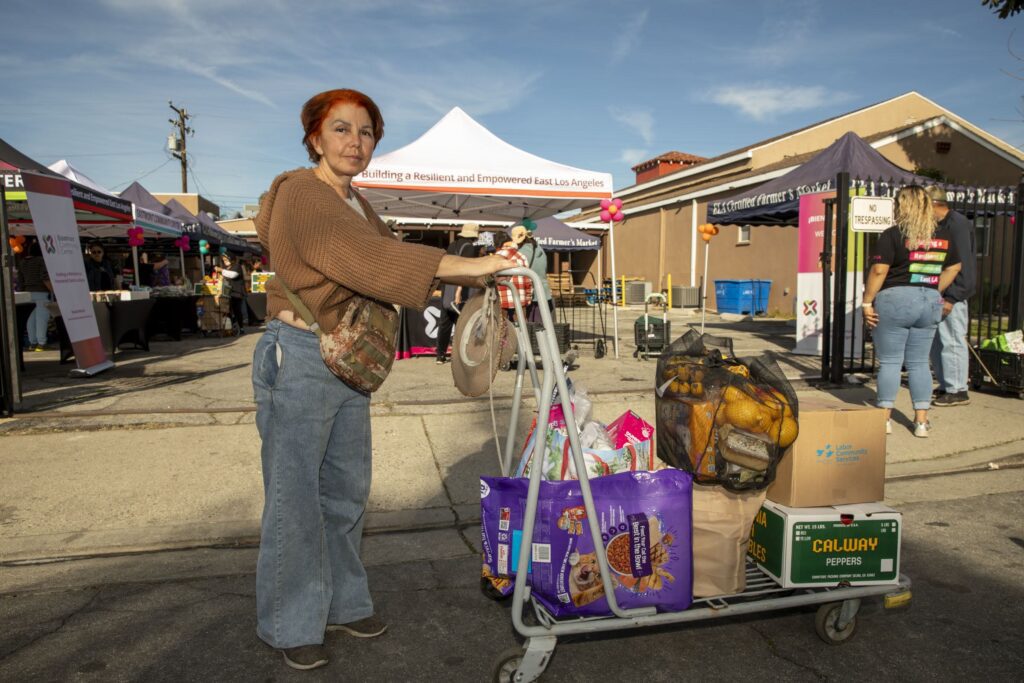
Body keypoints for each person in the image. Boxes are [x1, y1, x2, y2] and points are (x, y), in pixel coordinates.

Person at [252, 88, 513, 671]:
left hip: (342, 360)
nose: (355, 141)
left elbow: (386, 257)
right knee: (296, 499)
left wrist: (472, 281)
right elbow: (364, 260)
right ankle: (291, 622)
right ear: (314, 138)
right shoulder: (301, 192)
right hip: (297, 355)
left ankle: (343, 602)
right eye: (341, 129)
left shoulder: (357, 202)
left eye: (366, 132)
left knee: (344, 491)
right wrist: (470, 264)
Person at [862, 186, 962, 438]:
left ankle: (884, 418)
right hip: (928, 301)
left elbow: (879, 270)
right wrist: (933, 289)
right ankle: (921, 422)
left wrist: (867, 302)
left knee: (891, 362)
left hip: (894, 300)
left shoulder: (893, 235)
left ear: (902, 206)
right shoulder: (944, 235)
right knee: (919, 363)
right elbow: (955, 267)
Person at [925, 186, 976, 407]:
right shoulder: (942, 224)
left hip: (952, 294)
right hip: (942, 292)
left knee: (952, 340)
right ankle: (947, 384)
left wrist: (953, 297)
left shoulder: (957, 224)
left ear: (934, 204)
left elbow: (964, 263)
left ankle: (958, 389)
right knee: (938, 341)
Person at [436, 222, 481, 364]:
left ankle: (440, 355)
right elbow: (464, 271)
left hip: (447, 287)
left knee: (444, 322)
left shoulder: (452, 245)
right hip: (459, 288)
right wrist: (459, 291)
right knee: (461, 322)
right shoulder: (469, 248)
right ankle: (460, 355)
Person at [16, 241, 52, 351]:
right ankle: (42, 343)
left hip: (27, 293)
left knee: (30, 320)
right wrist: (52, 290)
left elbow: (20, 280)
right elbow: (44, 277)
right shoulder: (41, 261)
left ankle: (33, 343)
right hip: (41, 292)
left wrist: (22, 292)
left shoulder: (22, 262)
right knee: (42, 318)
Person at [512, 224, 553, 321]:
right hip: (544, 291)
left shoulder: (522, 252)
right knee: (543, 327)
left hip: (531, 293)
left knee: (530, 329)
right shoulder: (539, 248)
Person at [494, 231, 533, 320]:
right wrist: (528, 297)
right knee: (521, 324)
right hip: (520, 297)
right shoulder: (522, 256)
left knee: (502, 324)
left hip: (502, 297)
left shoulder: (498, 256)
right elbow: (528, 279)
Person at [218, 252, 246, 333]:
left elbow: (232, 275)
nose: (225, 261)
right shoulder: (225, 267)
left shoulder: (237, 266)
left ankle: (241, 327)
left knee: (237, 310)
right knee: (228, 310)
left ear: (231, 258)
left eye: (226, 259)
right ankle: (230, 327)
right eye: (224, 260)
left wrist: (221, 270)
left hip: (237, 292)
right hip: (228, 292)